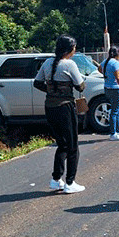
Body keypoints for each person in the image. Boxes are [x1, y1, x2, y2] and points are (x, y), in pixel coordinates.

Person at [34, 35, 86, 194]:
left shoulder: (47, 62)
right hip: (65, 108)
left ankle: (56, 180)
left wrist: (52, 91)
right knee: (72, 146)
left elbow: (37, 83)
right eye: (74, 47)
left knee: (61, 144)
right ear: (70, 49)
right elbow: (81, 86)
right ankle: (70, 182)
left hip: (50, 107)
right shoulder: (70, 64)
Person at [98, 46, 119, 141]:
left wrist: (107, 75)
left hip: (107, 87)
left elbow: (99, 68)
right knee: (115, 111)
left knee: (117, 110)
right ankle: (113, 133)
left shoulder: (105, 62)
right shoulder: (115, 63)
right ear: (117, 54)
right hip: (116, 89)